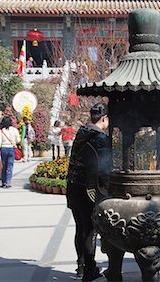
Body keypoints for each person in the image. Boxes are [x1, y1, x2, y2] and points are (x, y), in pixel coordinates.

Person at [66, 103, 110, 281]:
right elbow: (101, 168)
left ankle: (81, 266)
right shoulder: (99, 137)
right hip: (88, 189)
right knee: (90, 230)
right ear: (104, 118)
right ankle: (90, 269)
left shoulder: (82, 132)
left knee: (80, 228)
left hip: (73, 186)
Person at [0, 116, 20, 188]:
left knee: (4, 166)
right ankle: (8, 182)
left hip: (3, 149)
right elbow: (18, 140)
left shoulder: (1, 131)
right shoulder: (14, 130)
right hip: (11, 148)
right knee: (10, 166)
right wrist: (14, 141)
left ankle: (3, 182)